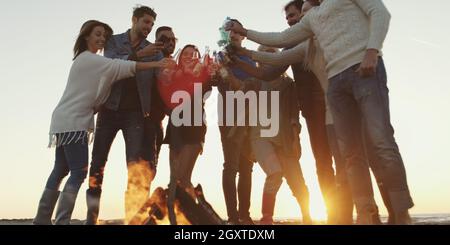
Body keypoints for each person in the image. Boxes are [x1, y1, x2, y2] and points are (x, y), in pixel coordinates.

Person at [226, 0, 414, 224]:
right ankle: (363, 213)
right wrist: (243, 45)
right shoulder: (308, 38)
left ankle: (399, 212)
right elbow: (279, 48)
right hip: (332, 99)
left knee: (379, 146)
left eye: (305, 11)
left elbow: (380, 13)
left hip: (361, 76)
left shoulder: (333, 13)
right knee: (349, 158)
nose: (303, 16)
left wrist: (372, 51)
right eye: (300, 13)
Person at [33, 20, 173, 225]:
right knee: (80, 172)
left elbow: (99, 89)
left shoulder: (85, 60)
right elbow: (121, 66)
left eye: (103, 37)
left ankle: (41, 219)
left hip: (64, 120)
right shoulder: (90, 59)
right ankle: (61, 221)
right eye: (97, 35)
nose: (101, 39)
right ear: (85, 36)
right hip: (74, 122)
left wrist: (96, 105)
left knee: (60, 169)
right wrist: (155, 63)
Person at [229, 0, 339, 223]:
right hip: (284, 125)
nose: (290, 19)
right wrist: (235, 62)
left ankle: (324, 215)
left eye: (294, 14)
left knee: (304, 178)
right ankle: (268, 218)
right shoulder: (261, 76)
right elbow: (253, 78)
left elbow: (292, 111)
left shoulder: (288, 81)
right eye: (287, 16)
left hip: (326, 109)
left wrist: (295, 132)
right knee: (307, 165)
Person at [85, 5, 168, 225]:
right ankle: (91, 219)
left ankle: (134, 219)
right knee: (97, 166)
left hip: (136, 115)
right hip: (109, 111)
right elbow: (112, 65)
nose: (149, 27)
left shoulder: (155, 50)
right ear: (134, 20)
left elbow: (163, 78)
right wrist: (141, 55)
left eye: (151, 23)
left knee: (135, 168)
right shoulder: (113, 41)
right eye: (145, 22)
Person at [158, 44, 215, 225]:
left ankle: (190, 219)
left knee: (183, 178)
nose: (189, 56)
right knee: (174, 179)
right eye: (186, 54)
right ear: (180, 56)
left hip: (194, 128)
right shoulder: (171, 75)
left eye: (193, 54)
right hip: (175, 128)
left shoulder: (202, 75)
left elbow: (205, 92)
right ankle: (178, 220)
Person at [213, 20, 257, 225]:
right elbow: (221, 85)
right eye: (229, 31)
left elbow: (252, 86)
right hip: (229, 119)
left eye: (237, 31)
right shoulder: (220, 56)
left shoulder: (251, 57)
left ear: (243, 35)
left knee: (247, 167)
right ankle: (232, 218)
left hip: (249, 118)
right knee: (231, 166)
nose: (233, 34)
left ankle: (244, 215)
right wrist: (222, 69)